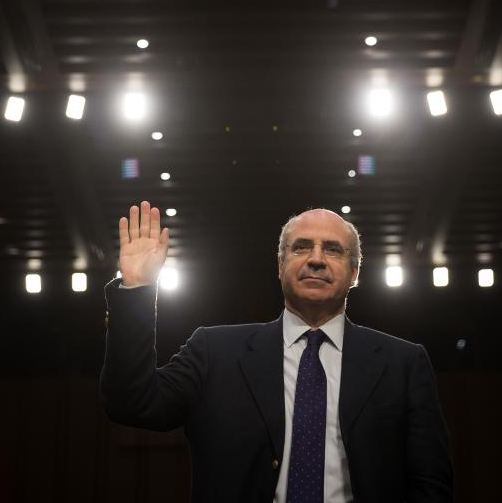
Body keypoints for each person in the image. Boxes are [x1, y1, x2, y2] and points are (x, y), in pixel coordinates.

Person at [101, 201, 453, 502]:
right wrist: (137, 289)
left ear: (355, 271)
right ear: (280, 264)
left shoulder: (403, 364)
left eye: (332, 249)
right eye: (301, 247)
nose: (316, 259)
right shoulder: (215, 352)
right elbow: (131, 402)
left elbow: (430, 484)